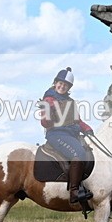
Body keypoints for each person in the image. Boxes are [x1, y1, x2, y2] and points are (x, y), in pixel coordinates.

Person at [39, 67, 94, 204]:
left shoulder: (70, 101)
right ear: (55, 83)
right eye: (60, 83)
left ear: (68, 87)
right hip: (56, 134)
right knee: (78, 153)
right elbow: (45, 123)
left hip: (71, 134)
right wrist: (47, 114)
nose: (62, 86)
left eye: (65, 85)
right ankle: (74, 192)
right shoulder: (49, 99)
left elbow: (78, 120)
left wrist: (87, 129)